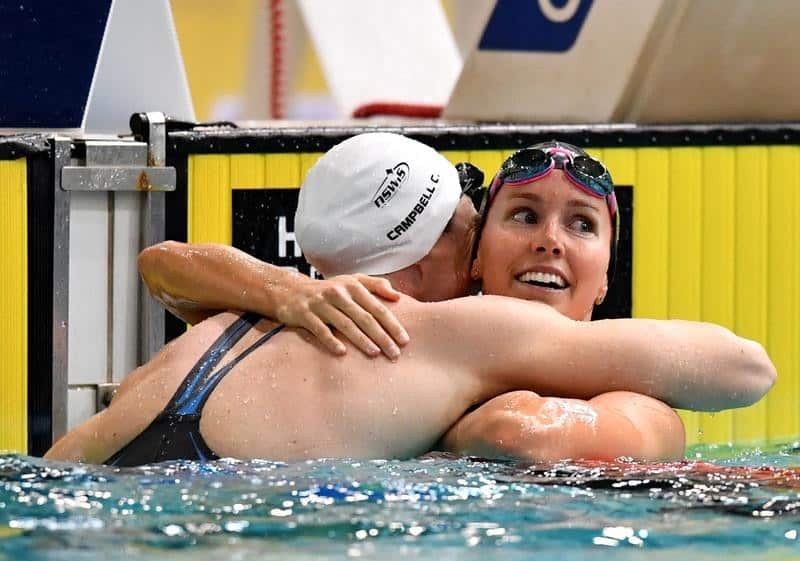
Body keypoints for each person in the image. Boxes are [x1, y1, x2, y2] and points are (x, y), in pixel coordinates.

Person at [44, 134, 776, 466]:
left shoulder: (265, 316)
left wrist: (285, 288)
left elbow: (163, 262)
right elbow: (747, 373)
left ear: (607, 271)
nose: (549, 242)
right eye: (516, 217)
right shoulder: (444, 332)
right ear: (471, 252)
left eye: (580, 225)